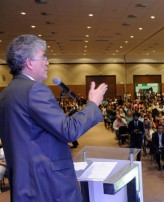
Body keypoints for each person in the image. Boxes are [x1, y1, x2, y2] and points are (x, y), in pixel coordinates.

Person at [0, 35, 108, 202]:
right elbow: (68, 130)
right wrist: (93, 104)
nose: (47, 62)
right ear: (29, 62)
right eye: (43, 57)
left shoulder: (6, 93)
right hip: (48, 186)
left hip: (26, 185)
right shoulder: (35, 90)